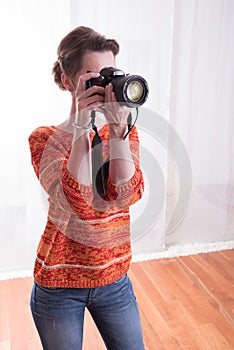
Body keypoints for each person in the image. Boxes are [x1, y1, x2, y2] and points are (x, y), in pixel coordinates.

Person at [29, 26, 145, 350]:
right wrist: (81, 126)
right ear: (69, 82)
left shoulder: (123, 132)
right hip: (58, 286)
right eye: (95, 77)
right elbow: (73, 200)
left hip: (114, 279)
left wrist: (119, 132)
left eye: (110, 74)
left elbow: (127, 194)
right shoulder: (44, 139)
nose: (107, 85)